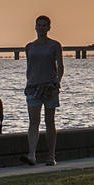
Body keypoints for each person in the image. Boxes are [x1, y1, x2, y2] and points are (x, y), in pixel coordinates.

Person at [22, 14, 64, 166]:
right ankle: (31, 154)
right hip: (33, 87)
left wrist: (57, 82)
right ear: (35, 27)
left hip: (50, 87)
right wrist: (29, 82)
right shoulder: (29, 47)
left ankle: (51, 156)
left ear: (49, 27)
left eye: (44, 25)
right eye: (39, 25)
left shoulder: (54, 45)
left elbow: (60, 67)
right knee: (33, 121)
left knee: (49, 121)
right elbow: (29, 67)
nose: (41, 28)